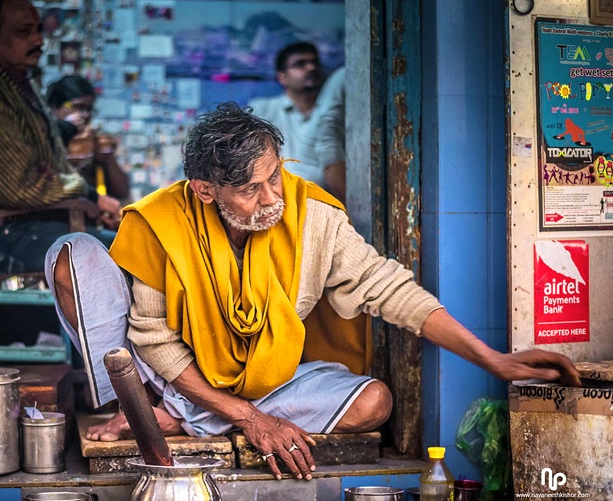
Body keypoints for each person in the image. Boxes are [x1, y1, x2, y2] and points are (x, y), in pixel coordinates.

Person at [43, 103, 580, 481]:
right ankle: (151, 406)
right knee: (71, 255)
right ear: (205, 190)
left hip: (264, 382)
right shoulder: (161, 221)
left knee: (376, 402)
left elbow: (387, 287)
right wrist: (252, 422)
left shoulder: (310, 215)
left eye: (274, 175)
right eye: (250, 189)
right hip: (170, 377)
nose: (272, 196)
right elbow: (153, 339)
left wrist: (494, 359)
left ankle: (190, 416)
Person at [0, 0, 122, 274]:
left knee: (135, 249)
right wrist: (90, 195)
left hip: (27, 226)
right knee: (127, 258)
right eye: (24, 32)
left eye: (38, 30)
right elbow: (22, 186)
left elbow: (48, 163)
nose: (38, 40)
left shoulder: (21, 84)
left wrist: (92, 202)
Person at [248, 42, 347, 199]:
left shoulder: (335, 113)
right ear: (282, 77)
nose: (311, 68)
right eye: (300, 64)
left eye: (314, 63)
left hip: (326, 201)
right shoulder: (262, 110)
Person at [47, 75, 130, 202]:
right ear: (55, 108)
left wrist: (107, 158)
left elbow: (121, 191)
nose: (85, 115)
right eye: (77, 107)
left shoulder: (95, 140)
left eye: (89, 109)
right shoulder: (45, 138)